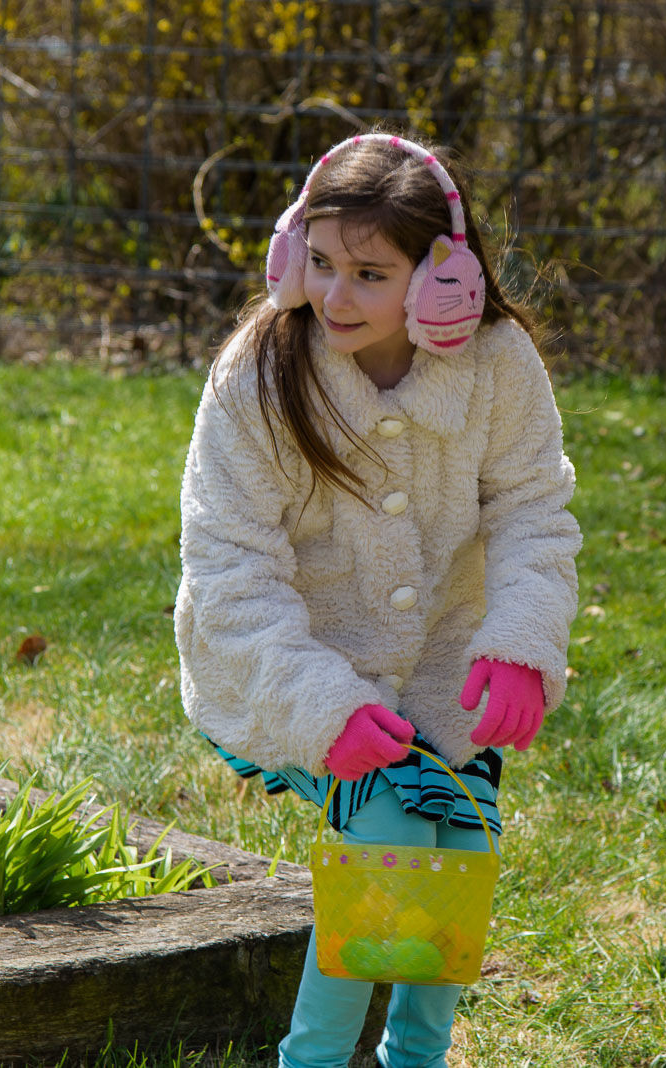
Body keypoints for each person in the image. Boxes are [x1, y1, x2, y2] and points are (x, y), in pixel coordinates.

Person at [174, 129, 580, 1068]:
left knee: (465, 851)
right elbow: (229, 570)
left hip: (443, 672)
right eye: (318, 263)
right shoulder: (259, 376)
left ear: (444, 278)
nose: (335, 296)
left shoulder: (498, 364)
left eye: (369, 274)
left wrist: (523, 641)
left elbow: (533, 511)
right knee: (392, 837)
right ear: (288, 254)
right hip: (291, 670)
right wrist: (326, 705)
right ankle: (311, 1060)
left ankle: (418, 1057)